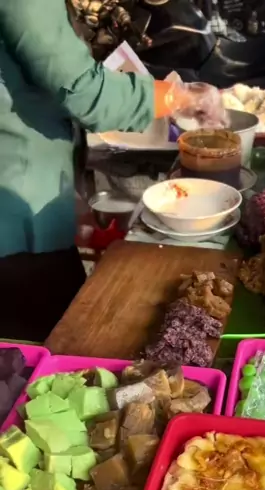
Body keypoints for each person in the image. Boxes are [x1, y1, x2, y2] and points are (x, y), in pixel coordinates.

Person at [0, 0, 225, 340]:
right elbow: (83, 90)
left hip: (28, 184)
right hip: (16, 214)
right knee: (63, 337)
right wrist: (179, 97)